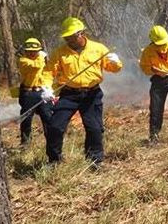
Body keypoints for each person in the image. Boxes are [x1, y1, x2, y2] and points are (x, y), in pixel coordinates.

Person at [40, 17, 123, 169]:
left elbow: (114, 69)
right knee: (55, 126)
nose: (69, 40)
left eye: (72, 36)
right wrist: (46, 87)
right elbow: (48, 72)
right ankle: (54, 160)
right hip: (69, 94)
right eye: (67, 37)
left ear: (81, 33)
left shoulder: (98, 49)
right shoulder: (60, 53)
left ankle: (95, 161)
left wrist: (115, 62)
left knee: (94, 128)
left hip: (92, 94)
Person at [17, 37, 53, 146]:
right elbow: (36, 66)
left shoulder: (43, 60)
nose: (32, 54)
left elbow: (48, 74)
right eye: (29, 51)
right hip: (28, 94)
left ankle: (52, 144)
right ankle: (25, 144)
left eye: (35, 51)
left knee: (48, 119)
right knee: (26, 120)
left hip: (43, 93)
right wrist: (42, 56)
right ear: (25, 51)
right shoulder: (23, 60)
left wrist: (48, 88)